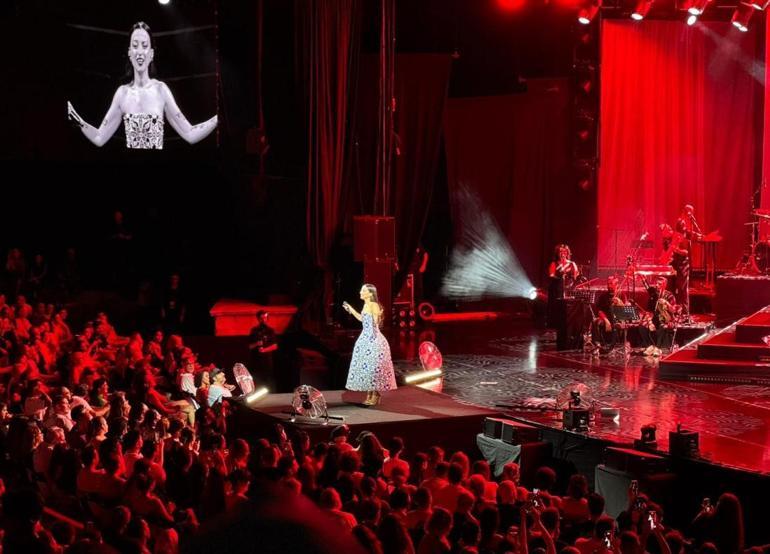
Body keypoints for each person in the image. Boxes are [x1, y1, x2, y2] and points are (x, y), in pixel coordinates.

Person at [67, 21, 217, 149]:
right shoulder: (122, 94)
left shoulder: (161, 90)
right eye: (135, 45)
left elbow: (190, 133)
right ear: (129, 52)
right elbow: (100, 137)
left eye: (144, 45)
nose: (139, 51)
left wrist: (217, 118)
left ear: (151, 54)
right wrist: (75, 117)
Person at [343, 284, 396, 406]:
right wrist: (351, 309)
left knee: (373, 367)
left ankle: (375, 394)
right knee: (366, 367)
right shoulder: (366, 305)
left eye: (363, 290)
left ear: (370, 293)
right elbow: (362, 319)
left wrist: (378, 315)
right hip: (365, 337)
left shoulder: (373, 305)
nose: (360, 292)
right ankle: (370, 393)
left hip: (373, 338)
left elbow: (375, 322)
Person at [248, 310, 278, 389]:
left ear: (267, 318)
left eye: (265, 318)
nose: (263, 319)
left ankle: (270, 393)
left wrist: (264, 350)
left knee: (268, 379)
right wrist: (256, 344)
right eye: (261, 318)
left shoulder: (270, 330)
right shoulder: (254, 331)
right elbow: (249, 347)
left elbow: (275, 346)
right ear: (258, 319)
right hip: (256, 361)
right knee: (257, 379)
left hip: (267, 361)